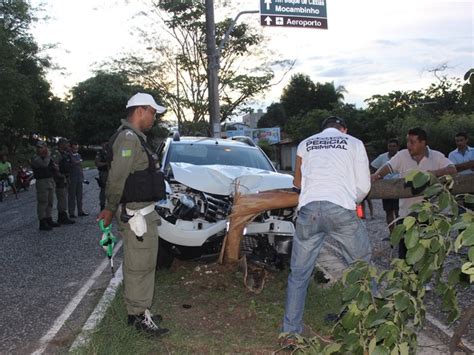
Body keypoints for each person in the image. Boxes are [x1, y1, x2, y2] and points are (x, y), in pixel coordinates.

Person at [281, 116, 372, 345]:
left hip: (309, 211)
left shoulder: (306, 143)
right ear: (344, 129)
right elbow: (364, 186)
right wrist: (352, 201)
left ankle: (290, 334)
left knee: (298, 275)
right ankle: (370, 328)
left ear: (321, 130)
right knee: (362, 270)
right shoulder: (354, 142)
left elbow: (298, 184)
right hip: (341, 209)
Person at [97, 92, 168, 336]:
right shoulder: (128, 139)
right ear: (140, 110)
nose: (154, 118)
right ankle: (138, 316)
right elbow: (117, 177)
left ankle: (140, 311)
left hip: (142, 213)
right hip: (136, 214)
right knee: (139, 265)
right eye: (152, 112)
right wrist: (108, 207)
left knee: (145, 263)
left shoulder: (136, 138)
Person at [372, 127, 456, 258]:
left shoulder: (436, 156)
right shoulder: (402, 155)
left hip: (430, 216)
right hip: (406, 215)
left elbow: (452, 169)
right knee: (405, 254)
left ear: (423, 143)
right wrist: (376, 176)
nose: (409, 145)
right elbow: (388, 167)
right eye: (407, 142)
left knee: (426, 255)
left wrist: (434, 174)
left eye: (412, 142)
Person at [371, 138, 400, 231]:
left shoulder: (402, 156)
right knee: (389, 212)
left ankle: (400, 235)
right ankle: (392, 233)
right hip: (386, 187)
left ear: (397, 147)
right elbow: (372, 166)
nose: (392, 148)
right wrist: (377, 176)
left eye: (394, 146)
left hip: (399, 187)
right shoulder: (382, 157)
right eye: (390, 146)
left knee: (398, 212)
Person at [31, 142, 58, 231]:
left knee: (50, 201)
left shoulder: (47, 157)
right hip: (41, 181)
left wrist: (55, 167)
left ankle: (48, 218)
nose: (39, 149)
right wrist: (48, 155)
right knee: (43, 202)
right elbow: (44, 164)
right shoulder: (35, 158)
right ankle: (42, 222)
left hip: (50, 179)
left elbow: (53, 166)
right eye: (38, 147)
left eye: (41, 147)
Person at [52, 138, 75, 225]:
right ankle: (62, 217)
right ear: (61, 144)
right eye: (66, 143)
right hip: (60, 179)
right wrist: (60, 176)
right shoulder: (57, 153)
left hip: (65, 177)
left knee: (63, 198)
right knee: (61, 198)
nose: (68, 145)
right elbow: (55, 166)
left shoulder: (65, 153)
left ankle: (63, 215)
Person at [68, 142, 88, 217]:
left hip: (79, 178)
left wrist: (82, 177)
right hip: (72, 178)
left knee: (79, 196)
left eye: (76, 148)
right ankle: (71, 212)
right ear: (71, 148)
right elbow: (73, 163)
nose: (75, 150)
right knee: (72, 196)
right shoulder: (69, 156)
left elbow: (80, 167)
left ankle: (80, 210)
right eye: (74, 148)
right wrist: (77, 162)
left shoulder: (78, 155)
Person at [95, 141, 109, 211]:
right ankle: (102, 206)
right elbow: (97, 163)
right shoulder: (100, 153)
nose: (106, 144)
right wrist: (107, 163)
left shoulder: (110, 152)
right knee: (103, 190)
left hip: (110, 173)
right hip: (103, 173)